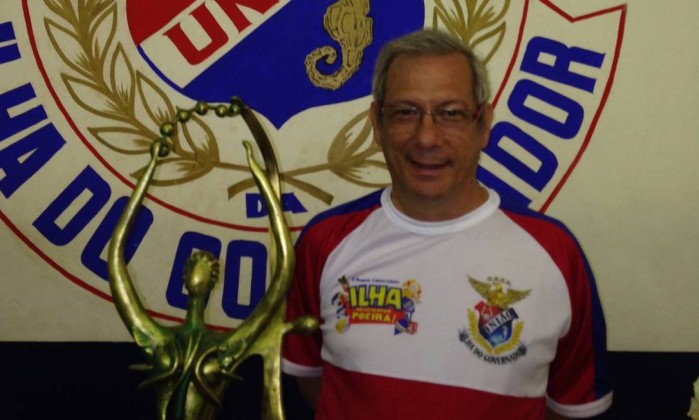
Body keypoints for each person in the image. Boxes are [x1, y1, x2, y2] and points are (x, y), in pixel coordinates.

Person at [282, 28, 612, 419]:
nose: (426, 138)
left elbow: (572, 405)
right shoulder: (323, 241)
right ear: (377, 123)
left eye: (450, 113)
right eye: (405, 112)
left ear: (483, 123)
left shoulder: (555, 253)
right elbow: (312, 382)